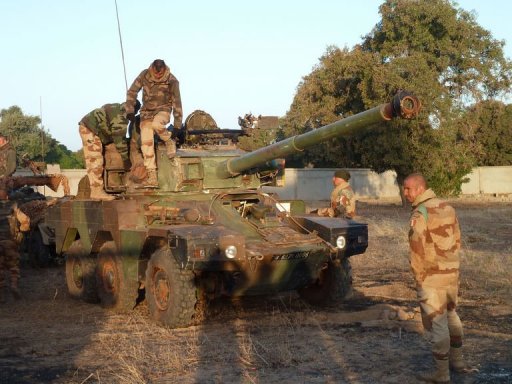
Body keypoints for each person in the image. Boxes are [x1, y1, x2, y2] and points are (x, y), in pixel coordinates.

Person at [403, 173, 474, 383]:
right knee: (452, 314)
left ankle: (441, 374)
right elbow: (458, 238)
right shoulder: (447, 207)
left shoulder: (420, 213)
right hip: (451, 272)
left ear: (419, 188)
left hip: (431, 276)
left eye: (408, 189)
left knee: (438, 322)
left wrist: (418, 276)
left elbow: (416, 248)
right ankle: (458, 362)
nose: (405, 193)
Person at [125, 59, 183, 187]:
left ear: (163, 70)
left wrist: (177, 124)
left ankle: (169, 141)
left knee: (157, 124)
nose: (157, 76)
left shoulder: (172, 80)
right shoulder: (144, 75)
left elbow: (177, 102)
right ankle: (152, 176)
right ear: (152, 68)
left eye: (160, 73)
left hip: (163, 110)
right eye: (155, 73)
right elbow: (132, 91)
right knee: (146, 142)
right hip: (146, 113)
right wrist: (129, 109)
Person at [78, 101, 139, 200]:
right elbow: (119, 141)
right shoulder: (121, 118)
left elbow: (105, 111)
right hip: (90, 128)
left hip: (93, 128)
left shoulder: (117, 107)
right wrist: (126, 161)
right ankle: (96, 191)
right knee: (95, 160)